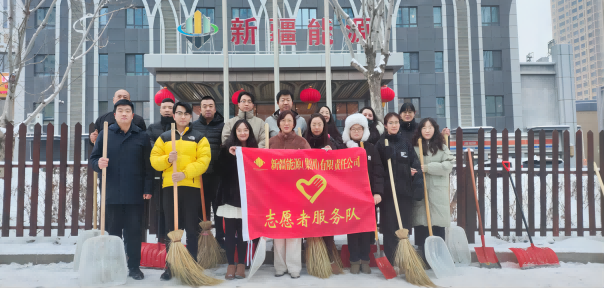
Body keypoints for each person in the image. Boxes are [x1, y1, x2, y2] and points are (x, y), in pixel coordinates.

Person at [89, 99, 153, 280]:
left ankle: (134, 267)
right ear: (115, 115)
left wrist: (148, 187)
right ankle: (113, 266)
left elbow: (148, 166)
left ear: (132, 116)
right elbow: (93, 159)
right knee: (113, 232)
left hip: (135, 192)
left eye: (127, 111)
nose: (124, 113)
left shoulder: (141, 136)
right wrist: (98, 163)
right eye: (120, 110)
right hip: (112, 192)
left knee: (134, 232)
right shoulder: (105, 135)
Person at [150, 102, 211, 281]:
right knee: (172, 228)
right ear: (174, 116)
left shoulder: (199, 137)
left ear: (190, 116)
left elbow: (203, 161)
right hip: (170, 187)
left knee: (192, 227)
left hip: (191, 187)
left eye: (186, 113)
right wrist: (168, 159)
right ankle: (171, 265)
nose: (182, 116)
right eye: (179, 113)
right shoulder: (164, 137)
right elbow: (154, 160)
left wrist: (184, 173)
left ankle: (192, 264)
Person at [376, 112, 423, 265]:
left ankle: (403, 259)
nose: (394, 125)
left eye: (396, 122)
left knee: (404, 226)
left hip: (404, 193)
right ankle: (391, 261)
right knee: (390, 228)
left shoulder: (405, 143)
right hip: (388, 194)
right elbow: (376, 169)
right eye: (390, 123)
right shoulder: (381, 144)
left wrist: (412, 171)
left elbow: (414, 163)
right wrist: (384, 156)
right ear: (385, 125)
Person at [269, 110, 310, 279]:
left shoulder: (302, 141)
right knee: (278, 230)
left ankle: (294, 267)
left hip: (296, 193)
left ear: (294, 123)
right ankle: (279, 266)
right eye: (283, 120)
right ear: (278, 123)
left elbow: (311, 164)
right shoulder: (270, 142)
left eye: (290, 120)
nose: (286, 123)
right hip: (275, 192)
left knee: (293, 231)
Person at [215, 120, 258, 280]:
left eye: (245, 130)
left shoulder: (254, 150)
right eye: (239, 130)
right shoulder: (226, 149)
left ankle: (241, 264)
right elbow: (218, 171)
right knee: (230, 233)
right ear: (234, 132)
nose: (242, 133)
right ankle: (230, 264)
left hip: (247, 199)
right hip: (229, 197)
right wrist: (230, 156)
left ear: (249, 132)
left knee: (242, 234)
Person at [341, 113, 384, 274]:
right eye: (353, 129)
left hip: (368, 196)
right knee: (352, 229)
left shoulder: (371, 148)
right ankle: (354, 260)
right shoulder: (343, 149)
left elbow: (378, 173)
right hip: (350, 197)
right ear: (348, 131)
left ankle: (365, 259)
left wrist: (378, 192)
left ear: (364, 130)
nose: (356, 131)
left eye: (359, 128)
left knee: (367, 230)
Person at [411, 118, 454, 262]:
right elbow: (409, 165)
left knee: (437, 225)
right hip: (420, 190)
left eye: (430, 127)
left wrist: (429, 168)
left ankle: (438, 257)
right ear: (420, 130)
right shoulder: (415, 147)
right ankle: (423, 257)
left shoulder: (442, 147)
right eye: (424, 128)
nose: (427, 130)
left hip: (437, 192)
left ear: (434, 129)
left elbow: (448, 166)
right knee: (422, 224)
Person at [191, 96, 226, 247]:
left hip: (217, 175)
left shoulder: (223, 126)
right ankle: (202, 240)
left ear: (215, 109)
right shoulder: (193, 127)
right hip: (199, 175)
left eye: (210, 106)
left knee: (218, 208)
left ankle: (220, 240)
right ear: (199, 109)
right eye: (204, 106)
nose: (207, 109)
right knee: (200, 208)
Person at [146, 98, 175, 243]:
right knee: (159, 207)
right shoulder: (152, 127)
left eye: (170, 107)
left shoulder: (179, 127)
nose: (167, 110)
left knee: (173, 207)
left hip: (175, 173)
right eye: (165, 107)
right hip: (157, 174)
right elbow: (150, 146)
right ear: (160, 109)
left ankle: (174, 238)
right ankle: (161, 238)